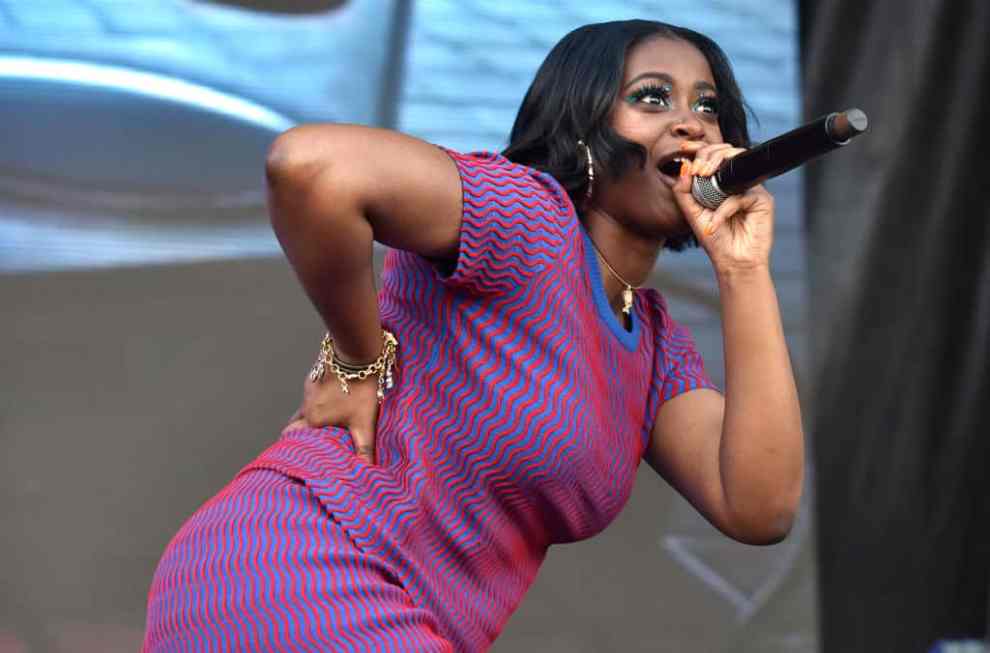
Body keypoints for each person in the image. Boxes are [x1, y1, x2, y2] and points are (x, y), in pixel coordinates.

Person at [143, 19, 804, 652]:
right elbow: (310, 165)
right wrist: (356, 360)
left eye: (708, 106)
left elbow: (759, 507)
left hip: (402, 611)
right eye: (652, 98)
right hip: (302, 565)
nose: (691, 122)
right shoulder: (529, 220)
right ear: (582, 127)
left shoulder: (655, 346)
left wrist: (742, 269)